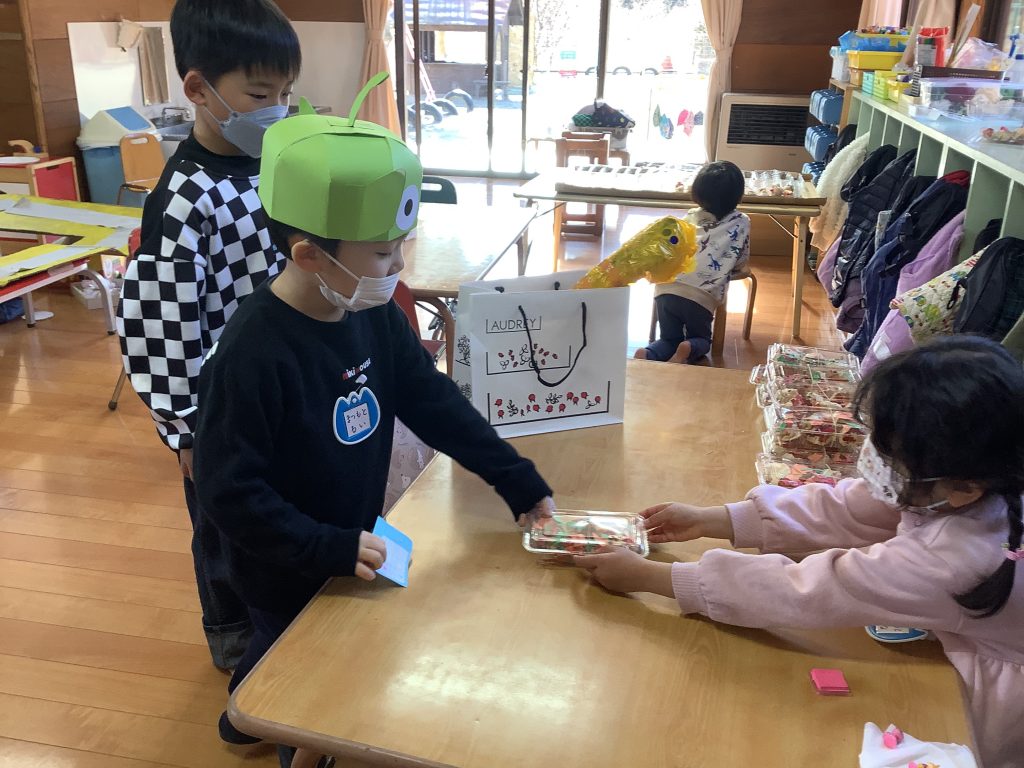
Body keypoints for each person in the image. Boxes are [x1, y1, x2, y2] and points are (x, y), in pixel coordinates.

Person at [192, 79, 554, 759]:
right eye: (383, 254)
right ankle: (268, 723)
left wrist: (515, 478)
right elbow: (227, 491)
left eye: (399, 246)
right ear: (309, 254)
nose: (398, 266)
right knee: (301, 670)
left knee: (304, 647)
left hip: (347, 537)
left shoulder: (370, 312)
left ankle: (244, 712)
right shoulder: (252, 353)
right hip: (281, 560)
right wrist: (323, 547)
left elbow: (432, 400)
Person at [576, 336, 1024, 768]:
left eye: (890, 458)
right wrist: (714, 519)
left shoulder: (951, 559)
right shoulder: (972, 477)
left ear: (964, 487)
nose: (872, 459)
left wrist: (655, 578)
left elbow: (808, 590)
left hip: (997, 697)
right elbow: (847, 508)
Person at [116, 0, 300, 670]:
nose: (276, 110)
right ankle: (234, 637)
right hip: (216, 408)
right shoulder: (182, 200)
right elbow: (158, 326)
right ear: (198, 89)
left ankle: (286, 622)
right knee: (224, 526)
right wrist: (186, 430)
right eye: (259, 94)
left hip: (277, 387)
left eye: (285, 94)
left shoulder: (271, 167)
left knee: (276, 511)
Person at [635, 160, 750, 364]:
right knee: (701, 339)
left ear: (697, 192)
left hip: (666, 288)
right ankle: (688, 348)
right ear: (738, 196)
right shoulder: (741, 221)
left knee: (668, 338)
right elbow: (741, 259)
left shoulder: (690, 216)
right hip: (700, 295)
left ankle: (649, 353)